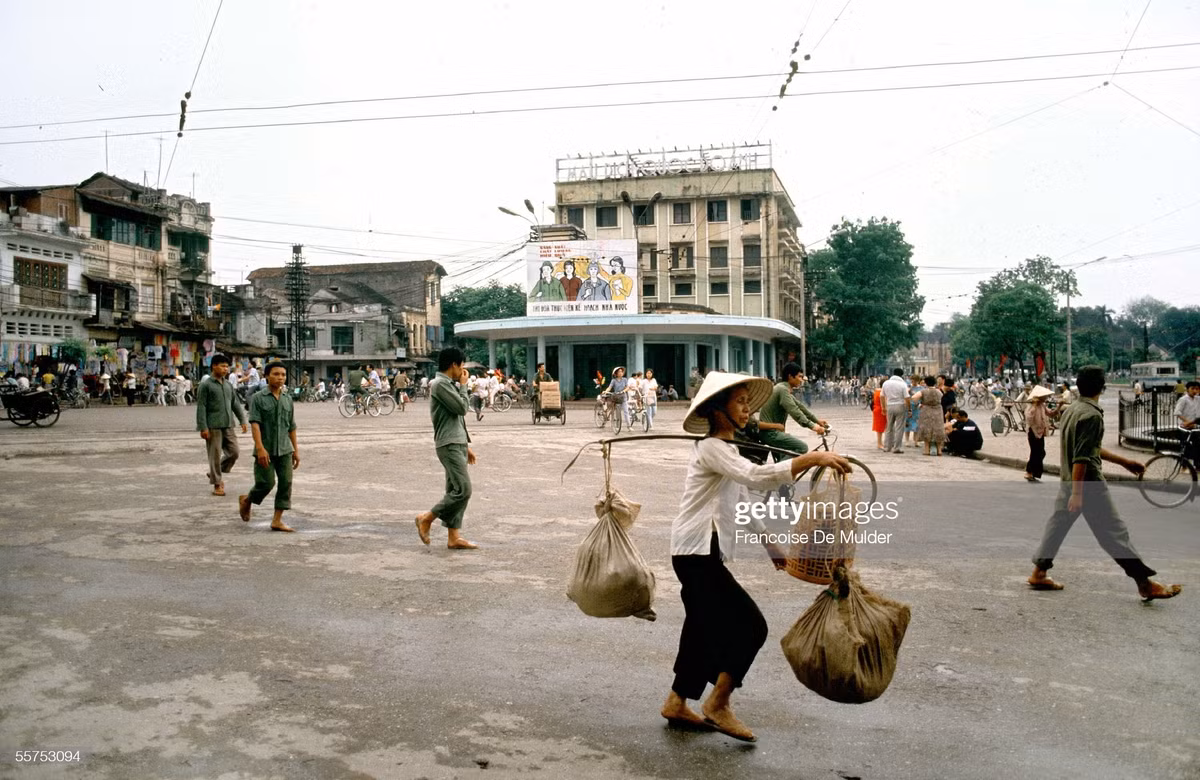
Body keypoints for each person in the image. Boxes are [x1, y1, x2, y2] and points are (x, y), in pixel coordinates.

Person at [661, 371, 851, 742]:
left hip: (700, 550)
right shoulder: (713, 448)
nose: (748, 409)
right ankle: (718, 703)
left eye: (749, 402)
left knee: (700, 627)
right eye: (740, 402)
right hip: (694, 552)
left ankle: (676, 702)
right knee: (751, 626)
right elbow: (755, 476)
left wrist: (769, 545)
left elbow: (741, 499)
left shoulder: (726, 450)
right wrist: (810, 459)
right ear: (718, 411)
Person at [1028, 366, 1182, 601]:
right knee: (1114, 533)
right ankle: (1144, 582)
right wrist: (1079, 494)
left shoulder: (1073, 410)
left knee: (1057, 526)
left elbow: (1089, 448)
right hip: (1088, 485)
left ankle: (1039, 571)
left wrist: (1124, 462)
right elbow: (1082, 456)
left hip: (1069, 481)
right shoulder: (1091, 415)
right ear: (1102, 387)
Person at [415, 347, 479, 550]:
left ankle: (454, 537)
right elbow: (461, 408)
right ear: (454, 365)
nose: (463, 370)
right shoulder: (440, 384)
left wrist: (465, 445)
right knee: (463, 490)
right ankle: (427, 517)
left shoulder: (447, 384)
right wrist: (463, 386)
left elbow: (457, 418)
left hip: (456, 442)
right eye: (462, 366)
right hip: (448, 444)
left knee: (454, 489)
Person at [238, 361, 300, 533]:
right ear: (266, 376)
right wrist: (260, 448)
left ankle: (277, 520)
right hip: (265, 448)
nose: (280, 378)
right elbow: (255, 424)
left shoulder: (288, 399)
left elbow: (291, 427)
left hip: (285, 449)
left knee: (286, 482)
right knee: (266, 483)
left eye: (283, 375)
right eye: (276, 374)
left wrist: (296, 450)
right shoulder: (258, 398)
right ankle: (247, 501)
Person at [196, 354, 249, 497]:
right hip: (213, 426)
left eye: (227, 366)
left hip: (228, 424)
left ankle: (214, 472)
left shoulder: (228, 385)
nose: (225, 369)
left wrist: (242, 420)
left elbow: (235, 404)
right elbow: (201, 407)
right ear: (214, 366)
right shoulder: (206, 385)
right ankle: (217, 484)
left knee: (234, 452)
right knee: (214, 455)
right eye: (222, 366)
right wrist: (203, 427)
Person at [756, 362, 825, 456]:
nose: (801, 380)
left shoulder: (783, 389)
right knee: (802, 447)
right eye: (799, 377)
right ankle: (784, 468)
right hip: (771, 434)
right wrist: (813, 426)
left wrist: (817, 421)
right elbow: (794, 411)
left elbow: (801, 407)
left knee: (784, 456)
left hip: (774, 433)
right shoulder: (782, 389)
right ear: (790, 376)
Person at [1024, 385, 1053, 482]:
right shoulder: (1031, 406)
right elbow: (1029, 418)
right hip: (1033, 432)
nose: (1046, 398)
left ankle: (1032, 472)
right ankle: (1029, 472)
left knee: (1040, 452)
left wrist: (1060, 406)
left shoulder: (1042, 405)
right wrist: (1035, 405)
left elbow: (1050, 414)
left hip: (1040, 432)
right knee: (1036, 452)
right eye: (1044, 396)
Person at [911, 376, 945, 456]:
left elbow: (913, 397)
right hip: (938, 411)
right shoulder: (939, 391)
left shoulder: (923, 391)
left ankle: (926, 449)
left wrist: (919, 404)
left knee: (927, 428)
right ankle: (939, 450)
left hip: (926, 410)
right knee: (938, 429)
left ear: (926, 383)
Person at [881, 369, 910, 453]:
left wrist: (883, 407)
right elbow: (907, 398)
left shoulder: (886, 383)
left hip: (889, 405)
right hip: (900, 405)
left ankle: (887, 447)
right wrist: (909, 409)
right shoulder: (903, 384)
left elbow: (882, 396)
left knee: (889, 427)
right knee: (899, 428)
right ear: (901, 375)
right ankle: (897, 447)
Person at [1172, 380, 1200, 462]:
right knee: (1185, 446)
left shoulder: (1197, 399)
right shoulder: (1183, 399)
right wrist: (1187, 422)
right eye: (1192, 389)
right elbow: (1177, 412)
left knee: (1197, 446)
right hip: (1185, 427)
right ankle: (1183, 465)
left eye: (1197, 389)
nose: (1195, 391)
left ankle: (1197, 465)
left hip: (1194, 427)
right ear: (1187, 389)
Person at [871, 382, 887, 450]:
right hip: (881, 410)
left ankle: (880, 443)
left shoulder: (876, 391)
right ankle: (879, 443)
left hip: (876, 409)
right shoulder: (882, 392)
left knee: (879, 428)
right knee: (880, 428)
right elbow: (883, 401)